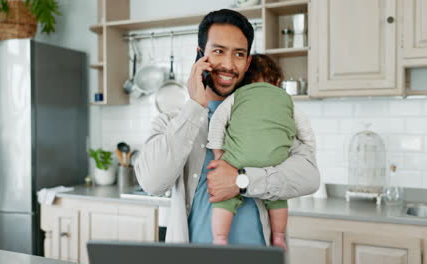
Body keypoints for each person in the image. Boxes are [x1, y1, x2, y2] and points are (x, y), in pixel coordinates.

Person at [134, 9, 320, 245]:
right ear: (200, 55)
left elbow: (309, 177)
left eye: (239, 54)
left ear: (247, 61)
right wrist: (194, 106)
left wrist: (241, 181)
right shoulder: (171, 121)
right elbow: (152, 183)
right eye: (218, 51)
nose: (228, 64)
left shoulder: (270, 118)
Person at [207, 54, 315, 249]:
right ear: (277, 81)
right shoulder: (286, 100)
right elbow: (304, 127)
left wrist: (218, 153)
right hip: (276, 160)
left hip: (237, 159)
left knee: (224, 201)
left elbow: (217, 122)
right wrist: (309, 148)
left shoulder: (237, 97)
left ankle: (220, 238)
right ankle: (279, 236)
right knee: (278, 197)